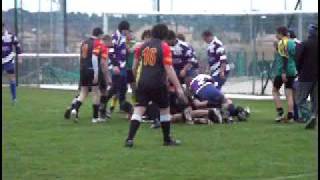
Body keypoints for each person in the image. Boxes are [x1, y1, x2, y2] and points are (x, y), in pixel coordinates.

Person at [124, 24, 186, 147]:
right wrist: (178, 87)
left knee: (139, 109)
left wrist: (137, 79)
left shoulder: (142, 46)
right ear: (164, 34)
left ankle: (130, 139)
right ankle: (167, 139)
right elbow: (169, 69)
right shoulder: (164, 47)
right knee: (164, 109)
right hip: (158, 83)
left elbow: (134, 66)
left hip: (142, 82)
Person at [69, 27, 109, 123]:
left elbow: (81, 58)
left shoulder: (83, 43)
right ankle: (95, 117)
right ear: (99, 35)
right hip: (93, 69)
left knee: (83, 92)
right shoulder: (98, 44)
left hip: (83, 69)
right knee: (96, 93)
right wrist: (97, 73)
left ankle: (75, 109)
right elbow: (99, 61)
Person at [105, 20, 132, 115]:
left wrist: (127, 51)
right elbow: (111, 53)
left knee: (123, 88)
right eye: (127, 30)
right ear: (123, 29)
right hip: (117, 67)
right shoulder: (115, 37)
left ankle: (124, 107)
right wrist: (115, 65)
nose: (128, 32)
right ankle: (102, 106)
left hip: (122, 66)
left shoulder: (123, 37)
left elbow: (121, 52)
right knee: (114, 88)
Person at [272, 26, 297, 123]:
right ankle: (290, 115)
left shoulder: (282, 42)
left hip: (282, 72)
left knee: (275, 91)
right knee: (289, 93)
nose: (275, 35)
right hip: (292, 71)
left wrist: (283, 72)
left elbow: (284, 57)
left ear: (280, 33)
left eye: (277, 33)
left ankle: (280, 113)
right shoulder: (292, 42)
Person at [296, 24, 318, 129]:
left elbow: (298, 59)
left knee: (300, 100)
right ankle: (314, 116)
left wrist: (299, 71)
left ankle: (310, 117)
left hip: (306, 76)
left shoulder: (304, 44)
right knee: (315, 100)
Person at [2, 23, 22, 104]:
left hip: (8, 60)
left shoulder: (10, 36)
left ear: (4, 27)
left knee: (11, 78)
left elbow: (17, 45)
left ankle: (14, 98)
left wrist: (20, 56)